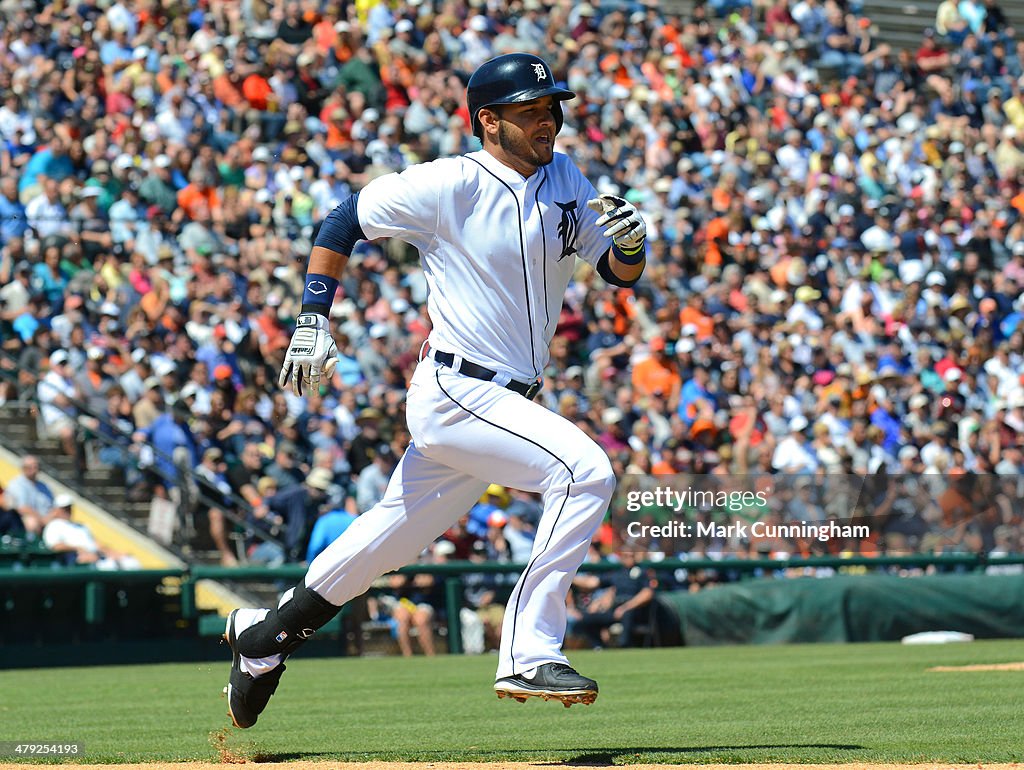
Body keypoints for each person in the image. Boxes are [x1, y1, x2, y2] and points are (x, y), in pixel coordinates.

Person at [223, 52, 648, 728]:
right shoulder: (450, 182)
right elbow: (341, 220)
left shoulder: (566, 174)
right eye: (531, 110)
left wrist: (630, 244)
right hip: (459, 389)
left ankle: (263, 639)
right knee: (586, 472)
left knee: (383, 544)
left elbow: (619, 270)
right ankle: (528, 651)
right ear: (488, 120)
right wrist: (311, 319)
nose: (549, 120)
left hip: (507, 401)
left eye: (553, 108)